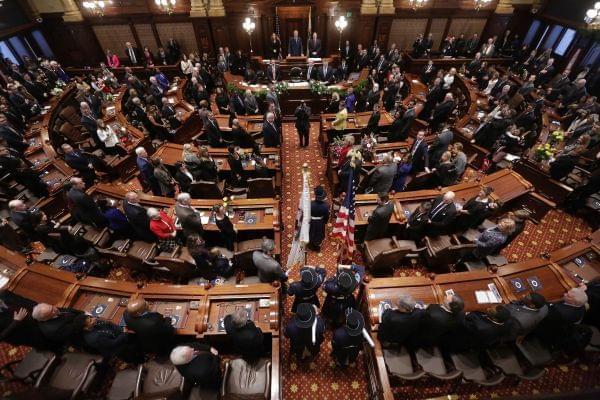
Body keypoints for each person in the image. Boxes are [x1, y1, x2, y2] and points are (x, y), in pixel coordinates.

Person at [307, 186, 329, 251]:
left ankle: (310, 245)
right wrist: (324, 222)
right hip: (320, 222)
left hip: (312, 221)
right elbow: (326, 216)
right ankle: (317, 247)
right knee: (319, 234)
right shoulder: (325, 206)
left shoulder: (311, 204)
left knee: (311, 232)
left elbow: (307, 213)